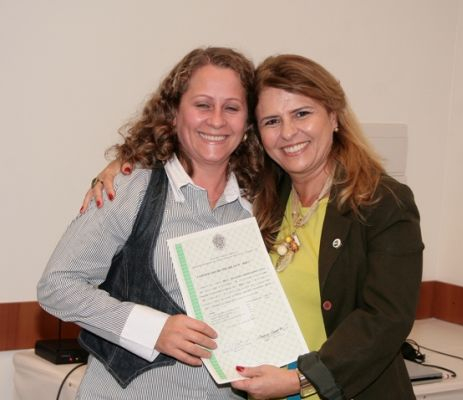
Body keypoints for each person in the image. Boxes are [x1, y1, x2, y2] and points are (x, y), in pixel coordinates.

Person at [82, 54, 424, 400]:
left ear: (334, 116)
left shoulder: (382, 202)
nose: (288, 132)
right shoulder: (262, 194)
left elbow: (387, 319)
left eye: (302, 114)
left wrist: (301, 380)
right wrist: (125, 165)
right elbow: (193, 147)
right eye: (272, 121)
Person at [37, 47, 262, 399]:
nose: (217, 120)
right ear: (173, 113)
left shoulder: (259, 204)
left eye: (231, 108)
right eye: (202, 105)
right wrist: (153, 329)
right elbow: (57, 286)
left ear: (248, 124)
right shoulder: (131, 187)